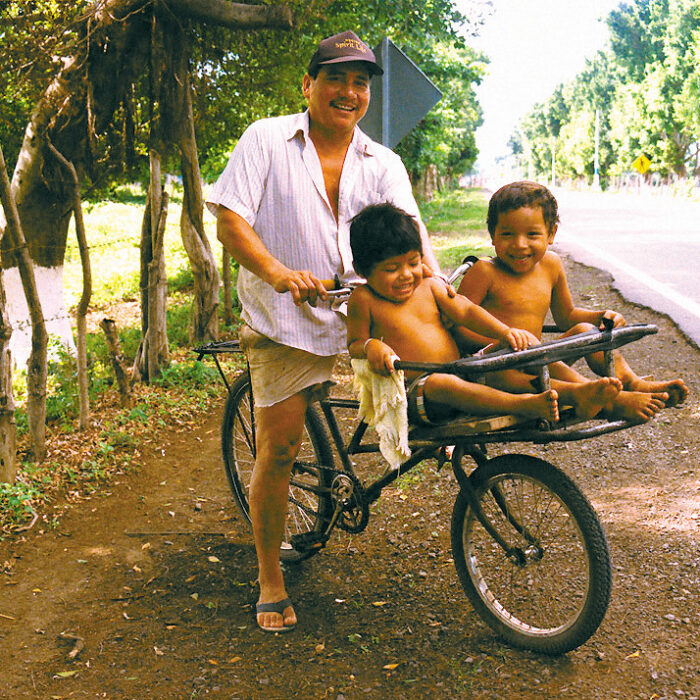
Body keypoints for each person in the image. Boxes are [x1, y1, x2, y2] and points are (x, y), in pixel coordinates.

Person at [206, 31, 444, 633]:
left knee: (440, 386)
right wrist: (280, 273)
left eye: (361, 82)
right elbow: (232, 223)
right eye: (335, 78)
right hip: (285, 317)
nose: (349, 92)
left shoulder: (382, 162)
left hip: (365, 312)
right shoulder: (266, 138)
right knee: (281, 448)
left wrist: (443, 291)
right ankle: (269, 576)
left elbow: (413, 243)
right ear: (308, 85)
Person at [456, 180, 688, 421]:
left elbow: (567, 317)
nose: (520, 244)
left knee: (585, 330)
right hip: (492, 366)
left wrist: (599, 317)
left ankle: (632, 382)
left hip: (537, 357)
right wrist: (506, 339)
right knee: (509, 374)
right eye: (507, 234)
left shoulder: (551, 265)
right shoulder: (484, 271)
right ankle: (601, 398)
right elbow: (457, 327)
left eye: (532, 234)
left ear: (551, 234)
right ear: (493, 235)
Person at [346, 203, 561, 426]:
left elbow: (466, 311)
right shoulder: (364, 299)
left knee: (521, 344)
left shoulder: (430, 286)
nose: (406, 275)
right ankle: (522, 404)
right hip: (419, 393)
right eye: (391, 269)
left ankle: (575, 388)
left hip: (461, 372)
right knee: (442, 384)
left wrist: (505, 332)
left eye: (413, 262)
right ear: (362, 270)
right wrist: (371, 345)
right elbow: (354, 343)